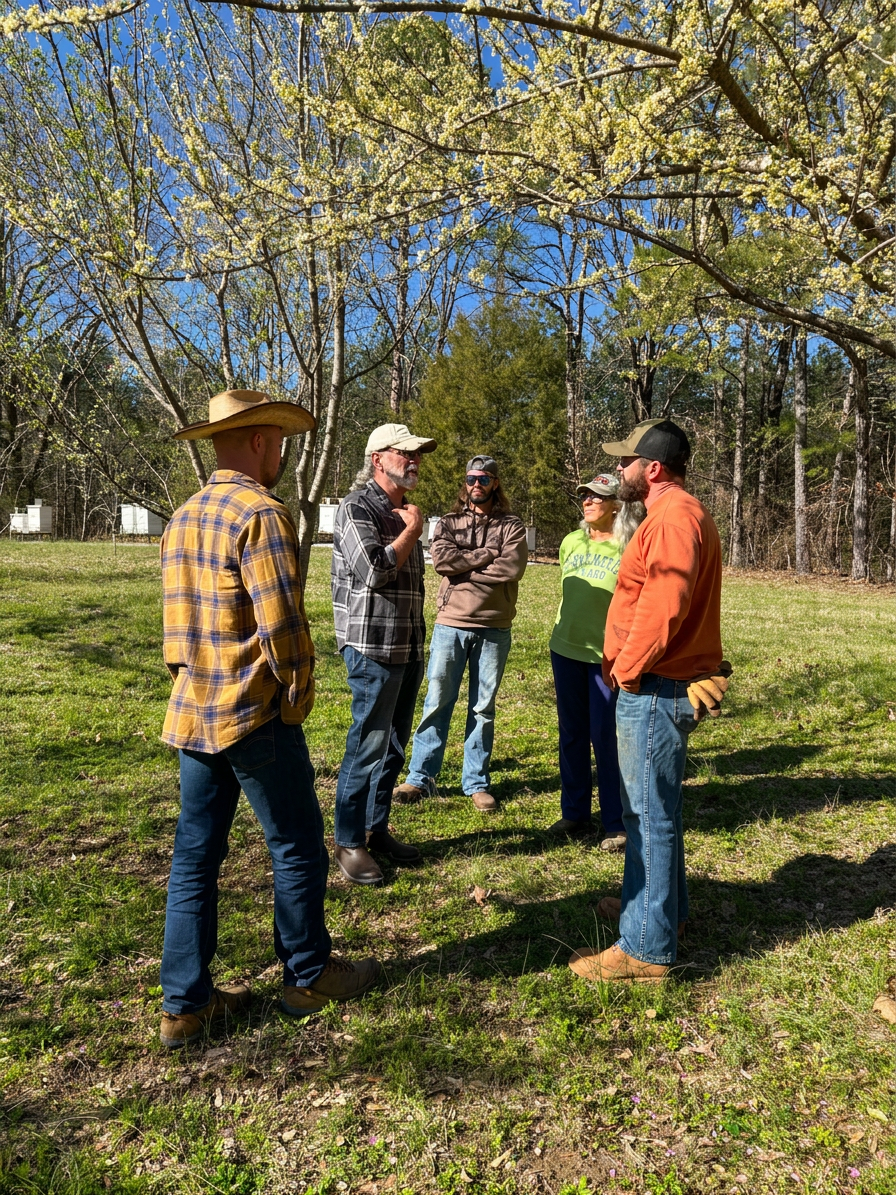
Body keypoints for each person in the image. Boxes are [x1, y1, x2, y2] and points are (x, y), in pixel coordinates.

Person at [158, 389, 381, 1048]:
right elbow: (282, 623)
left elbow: (174, 631)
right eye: (279, 440)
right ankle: (308, 975)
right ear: (259, 440)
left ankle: (184, 1006)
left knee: (194, 859)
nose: (280, 451)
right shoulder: (260, 513)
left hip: (194, 711)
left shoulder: (182, 517)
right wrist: (297, 690)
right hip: (254, 711)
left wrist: (191, 681)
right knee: (297, 844)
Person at [568, 418, 731, 984]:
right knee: (657, 811)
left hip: (655, 686)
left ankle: (646, 948)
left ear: (653, 467)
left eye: (626, 460)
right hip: (659, 683)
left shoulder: (673, 517)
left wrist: (628, 671)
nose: (619, 468)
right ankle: (661, 912)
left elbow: (664, 607)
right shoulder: (669, 514)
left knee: (647, 817)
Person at [331, 422, 436, 885]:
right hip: (372, 648)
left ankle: (375, 829)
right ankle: (348, 841)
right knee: (367, 745)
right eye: (404, 453)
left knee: (393, 745)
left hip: (407, 645)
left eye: (417, 454)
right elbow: (374, 570)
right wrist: (412, 531)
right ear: (377, 459)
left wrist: (410, 525)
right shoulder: (358, 507)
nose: (414, 460)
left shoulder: (404, 510)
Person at [394, 455, 528, 812]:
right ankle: (420, 777)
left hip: (494, 626)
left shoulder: (512, 525)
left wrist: (464, 567)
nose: (476, 485)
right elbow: (442, 562)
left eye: (483, 479)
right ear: (465, 483)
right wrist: (487, 555)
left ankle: (476, 782)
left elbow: (512, 567)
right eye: (471, 479)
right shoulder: (449, 522)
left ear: (495, 483)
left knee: (483, 708)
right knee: (437, 701)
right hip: (451, 623)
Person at [547, 473, 645, 847]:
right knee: (571, 733)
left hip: (606, 658)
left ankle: (616, 822)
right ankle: (574, 812)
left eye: (597, 497)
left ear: (616, 505)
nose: (587, 501)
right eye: (584, 496)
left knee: (606, 738)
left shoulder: (629, 546)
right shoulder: (571, 542)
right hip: (565, 650)